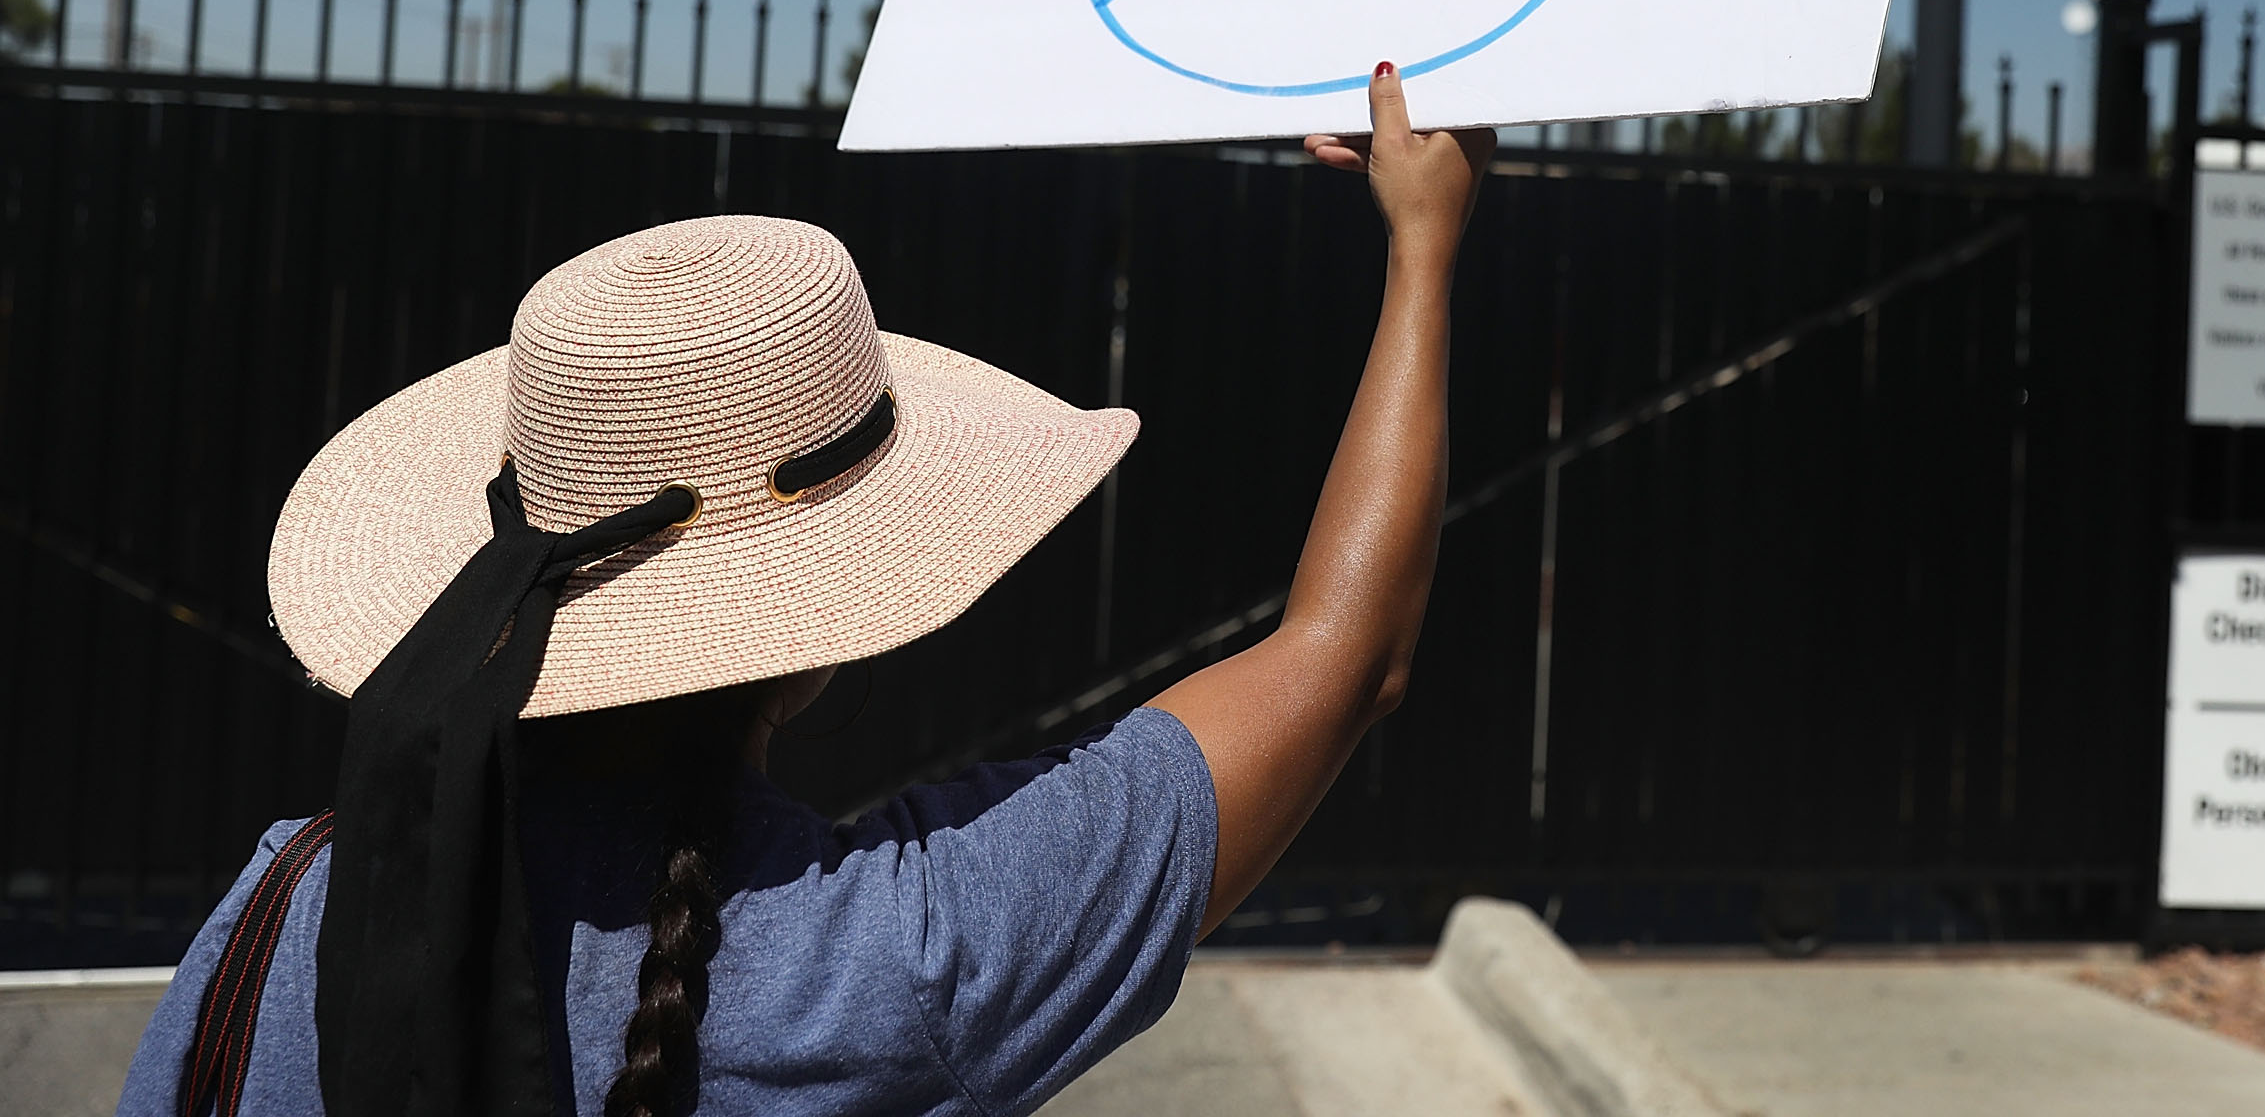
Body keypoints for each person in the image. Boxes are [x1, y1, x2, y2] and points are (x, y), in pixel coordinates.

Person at [119, 63, 1493, 1117]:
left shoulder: (274, 907)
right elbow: (1343, 654)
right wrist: (1421, 252)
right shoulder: (886, 960)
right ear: (816, 629)